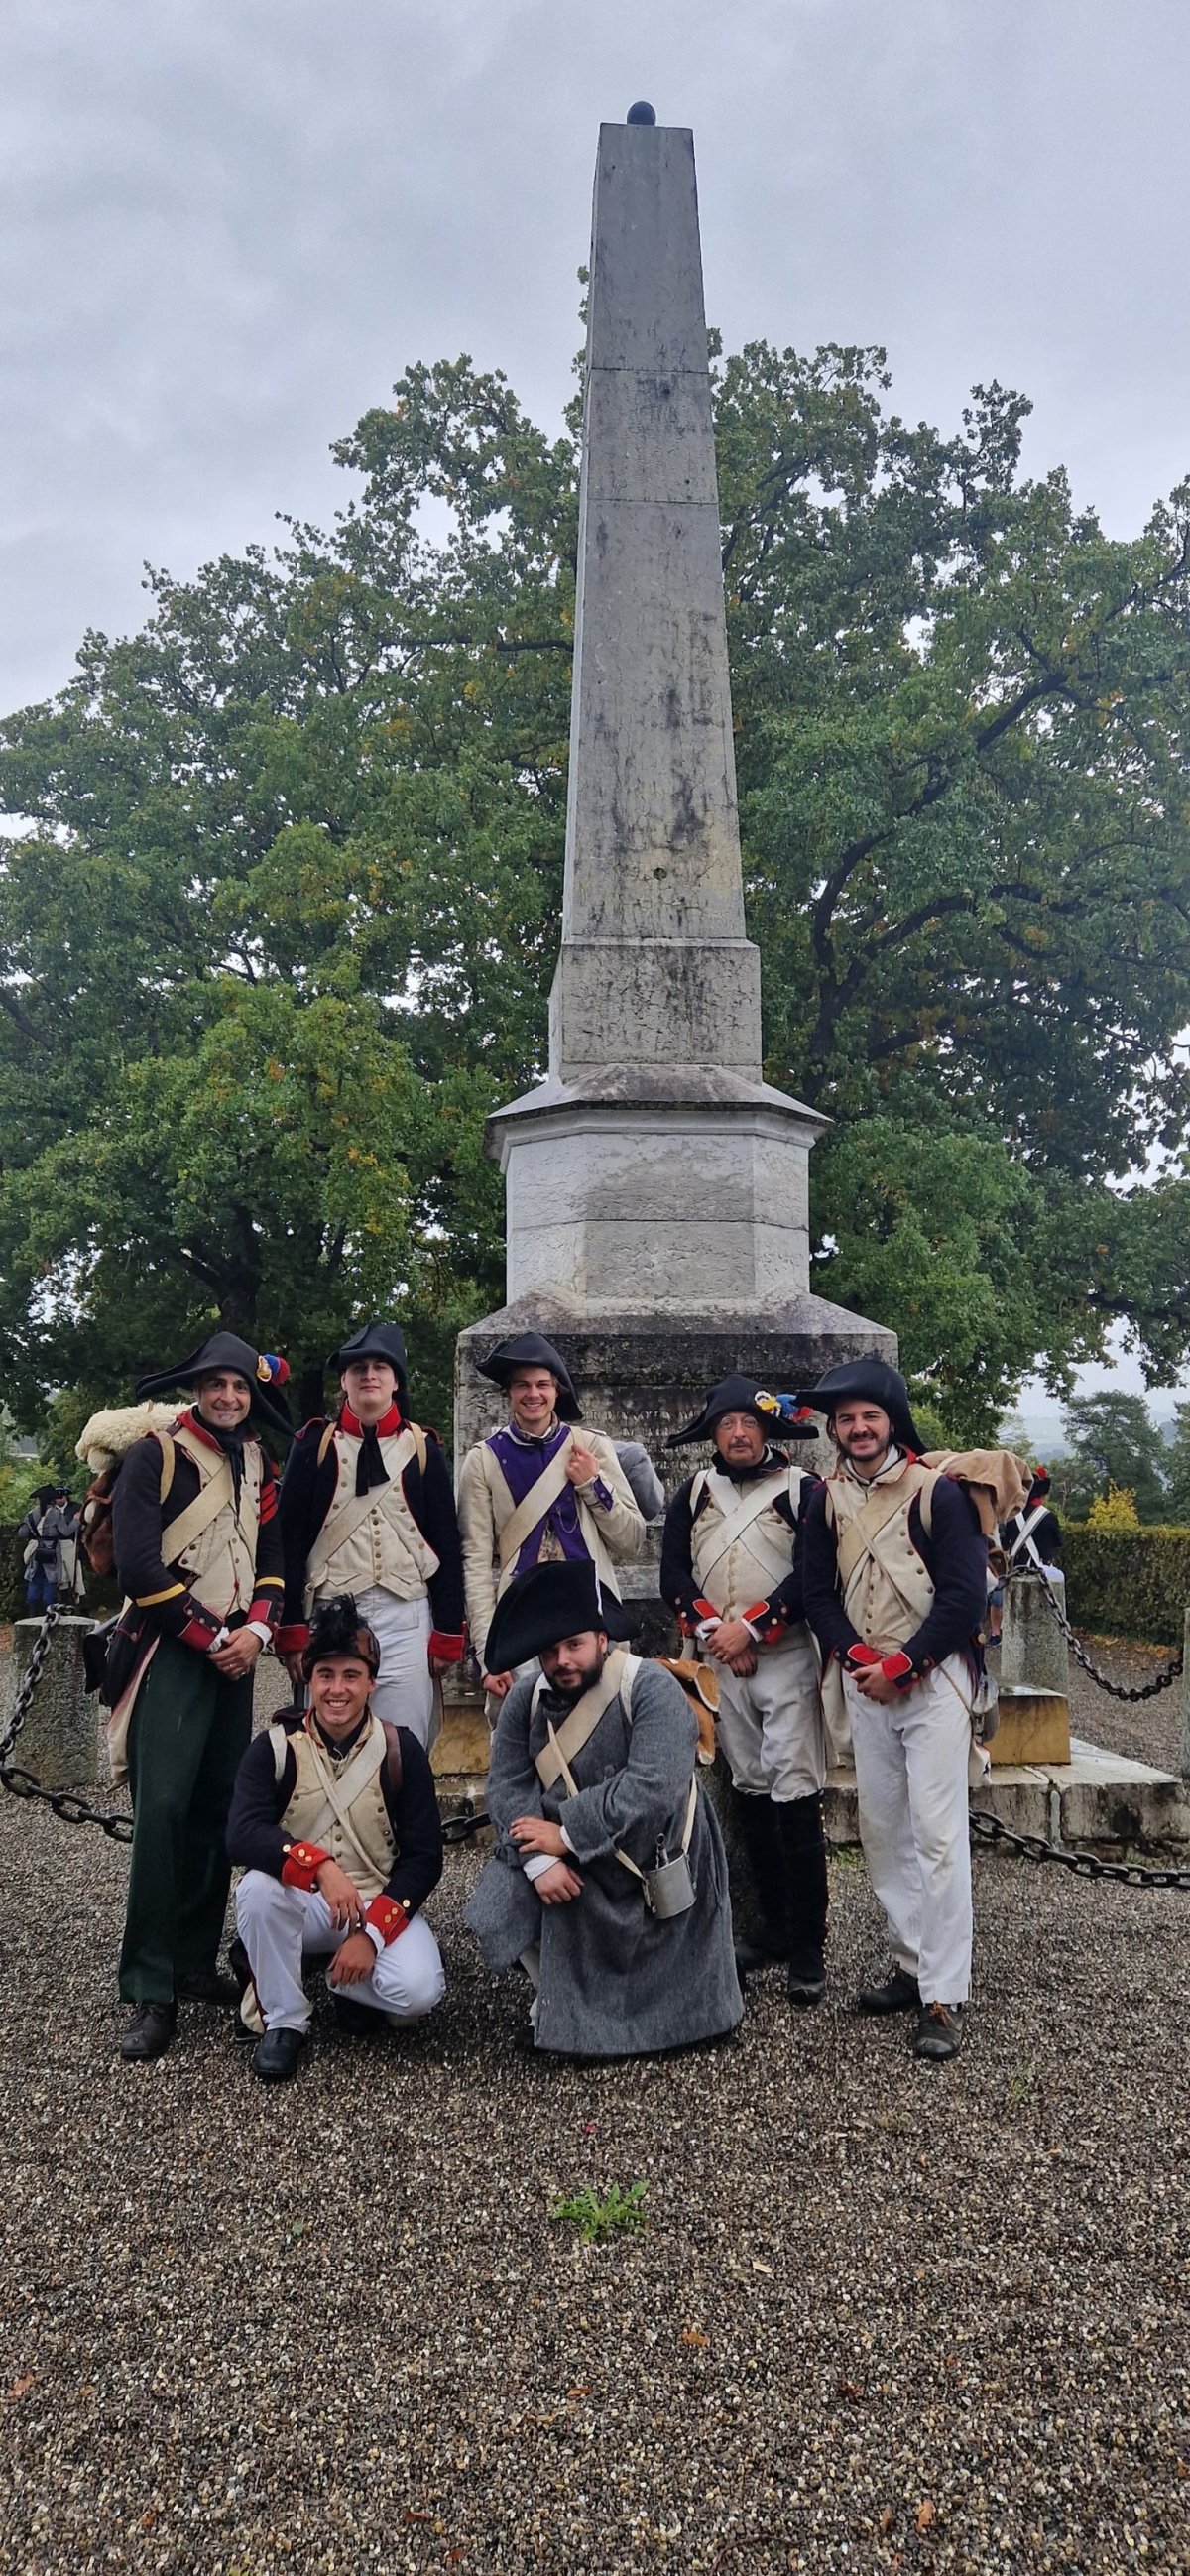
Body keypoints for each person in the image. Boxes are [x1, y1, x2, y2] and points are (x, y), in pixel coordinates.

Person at [465, 1559, 743, 2058]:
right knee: (494, 1908)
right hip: (567, 1857)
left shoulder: (650, 1688)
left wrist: (565, 1834)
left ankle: (617, 2017)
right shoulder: (526, 1699)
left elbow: (652, 1787)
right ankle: (562, 2001)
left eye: (574, 1645)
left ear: (601, 1638)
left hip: (650, 1851)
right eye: (550, 1651)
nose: (562, 1661)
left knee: (677, 1987)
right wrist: (539, 1859)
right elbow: (506, 1785)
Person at [108, 1331, 291, 2063]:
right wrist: (213, 1635)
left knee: (218, 1805)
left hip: (235, 1655)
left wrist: (258, 1630)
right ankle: (149, 1985)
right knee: (162, 1812)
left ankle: (191, 1960)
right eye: (217, 1384)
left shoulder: (257, 1459)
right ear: (197, 1388)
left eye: (240, 1386)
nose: (229, 1396)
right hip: (172, 1653)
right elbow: (138, 1568)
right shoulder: (154, 1455)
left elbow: (271, 1559)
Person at [799, 1360, 988, 2064]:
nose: (858, 1428)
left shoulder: (939, 1494)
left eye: (869, 1417)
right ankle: (911, 1961)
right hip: (866, 1679)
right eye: (846, 1419)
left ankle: (943, 1991)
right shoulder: (825, 1500)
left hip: (932, 1681)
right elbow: (817, 1593)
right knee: (882, 1831)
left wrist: (904, 1665)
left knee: (938, 1835)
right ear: (835, 1429)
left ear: (891, 1422)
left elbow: (963, 1596)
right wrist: (859, 1660)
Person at [226, 1593, 445, 2081]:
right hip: (303, 1902)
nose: (337, 1690)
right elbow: (241, 1833)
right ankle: (285, 2019)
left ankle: (342, 1982)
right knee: (256, 1891)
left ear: (371, 1682)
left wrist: (370, 1935)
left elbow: (424, 1858)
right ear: (309, 1679)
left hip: (373, 1901)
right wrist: (319, 1866)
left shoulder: (401, 1750)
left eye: (351, 1675)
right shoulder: (274, 1748)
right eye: (326, 1675)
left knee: (419, 1992)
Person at [660, 1376, 828, 2004]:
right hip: (719, 1660)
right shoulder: (694, 1492)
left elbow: (813, 1574)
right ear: (714, 1433)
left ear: (766, 1430)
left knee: (795, 1793)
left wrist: (752, 1628)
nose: (737, 1434)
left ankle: (808, 1945)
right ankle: (775, 1926)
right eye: (727, 1425)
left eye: (748, 1424)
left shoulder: (803, 1489)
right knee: (752, 1790)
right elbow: (673, 1572)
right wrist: (717, 1632)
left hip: (785, 1658)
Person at [276, 1322, 465, 1748]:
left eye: (381, 1366)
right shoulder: (312, 1446)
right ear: (343, 1381)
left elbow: (446, 1543)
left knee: (403, 1744)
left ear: (395, 1381)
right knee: (328, 1743)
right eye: (358, 1368)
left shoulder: (424, 1449)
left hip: (406, 1616)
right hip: (329, 1613)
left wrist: (448, 1629)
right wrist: (291, 1629)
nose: (369, 1375)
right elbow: (289, 1542)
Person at [457, 1333, 647, 1709]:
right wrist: (487, 1653)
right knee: (525, 1726)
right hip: (521, 1616)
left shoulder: (591, 1446)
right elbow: (474, 1561)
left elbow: (631, 1540)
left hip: (591, 1608)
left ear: (557, 1390)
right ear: (509, 1392)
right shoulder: (482, 1460)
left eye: (543, 1384)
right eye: (522, 1385)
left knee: (604, 1721)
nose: (533, 1394)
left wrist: (592, 1484)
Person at [18, 1487, 58, 1610]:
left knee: (34, 1578)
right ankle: (49, 1612)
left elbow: (22, 1533)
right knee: (50, 1579)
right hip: (51, 1550)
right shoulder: (56, 1514)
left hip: (35, 1550)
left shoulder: (31, 1514)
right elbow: (65, 1531)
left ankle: (32, 1612)